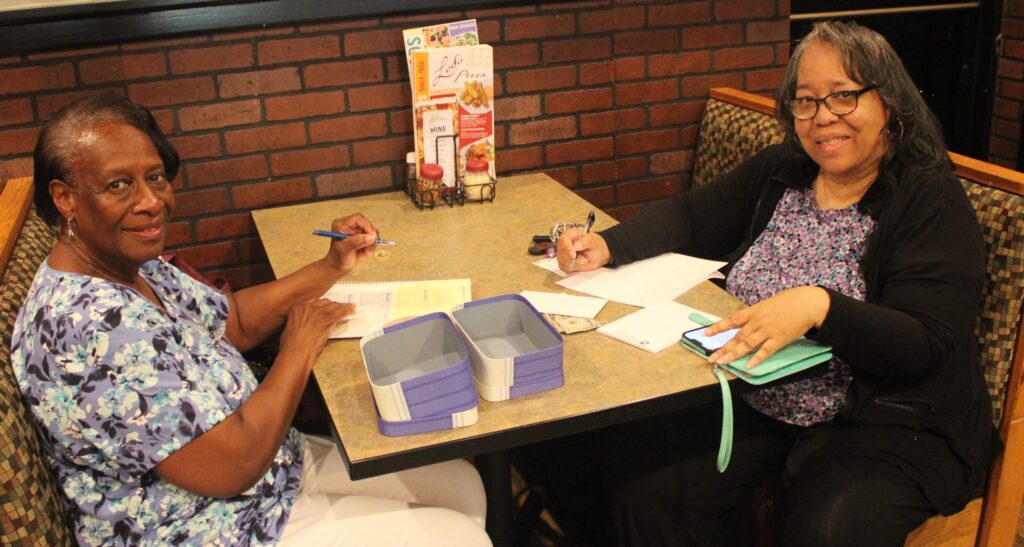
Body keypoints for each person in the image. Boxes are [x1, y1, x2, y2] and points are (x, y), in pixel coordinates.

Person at [555, 20, 1001, 546]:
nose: (823, 117)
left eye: (843, 96)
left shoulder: (929, 201)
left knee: (828, 528)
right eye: (806, 101)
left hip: (887, 422)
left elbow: (926, 346)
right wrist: (610, 245)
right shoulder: (783, 170)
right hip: (756, 394)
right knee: (642, 478)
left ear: (889, 102)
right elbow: (692, 217)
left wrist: (821, 308)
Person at [11, 93, 491, 547]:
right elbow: (231, 465)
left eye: (155, 178)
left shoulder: (129, 265)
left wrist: (331, 266)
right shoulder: (89, 327)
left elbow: (232, 320)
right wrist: (297, 350)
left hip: (267, 468)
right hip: (200, 524)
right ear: (65, 198)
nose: (150, 201)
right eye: (119, 185)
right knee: (459, 537)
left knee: (463, 487)